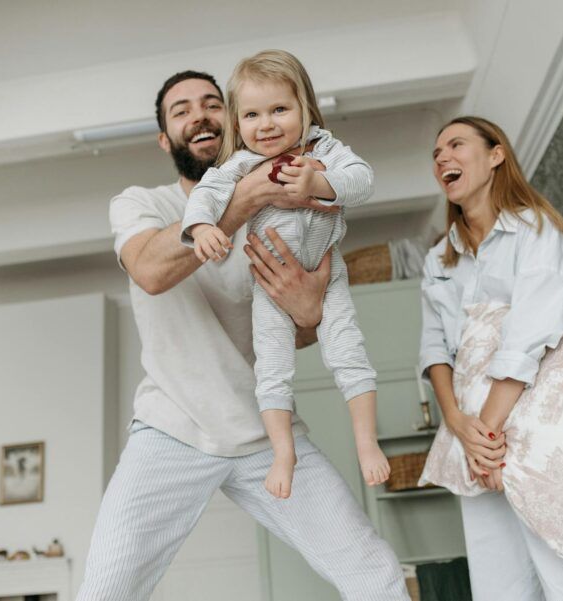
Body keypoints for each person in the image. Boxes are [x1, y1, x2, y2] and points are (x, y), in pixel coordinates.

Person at [75, 69, 409, 601]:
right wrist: (241, 203)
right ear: (166, 138)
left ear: (233, 119)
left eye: (212, 104)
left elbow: (299, 330)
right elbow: (150, 272)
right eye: (180, 110)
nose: (199, 115)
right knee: (105, 590)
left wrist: (309, 311)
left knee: (377, 573)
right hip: (172, 427)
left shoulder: (287, 204)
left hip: (266, 430)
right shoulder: (142, 203)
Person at [420, 115, 563, 600]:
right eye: (436, 155)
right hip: (477, 435)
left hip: (548, 430)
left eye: (455, 145)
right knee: (500, 584)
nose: (442, 159)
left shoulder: (536, 232)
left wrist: (488, 437)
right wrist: (459, 424)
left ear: (496, 154)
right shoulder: (438, 261)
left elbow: (528, 336)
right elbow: (436, 351)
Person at [180, 50, 390, 499]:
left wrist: (320, 183)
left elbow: (363, 179)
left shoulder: (325, 150)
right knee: (272, 370)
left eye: (280, 109)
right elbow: (207, 194)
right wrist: (200, 228)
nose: (267, 124)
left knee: (349, 353)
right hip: (268, 287)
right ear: (238, 122)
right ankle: (283, 452)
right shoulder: (241, 164)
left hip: (328, 276)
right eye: (252, 114)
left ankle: (366, 440)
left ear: (305, 108)